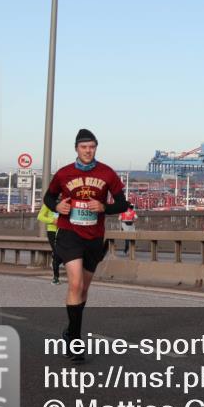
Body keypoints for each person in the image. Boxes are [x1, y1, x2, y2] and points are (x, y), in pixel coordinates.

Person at [42, 129, 128, 363]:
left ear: (96, 148)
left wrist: (104, 207)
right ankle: (75, 343)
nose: (88, 151)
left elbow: (122, 204)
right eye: (84, 147)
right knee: (76, 283)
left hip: (94, 237)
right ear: (76, 149)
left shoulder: (107, 173)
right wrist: (57, 207)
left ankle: (70, 330)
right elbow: (48, 198)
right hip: (69, 234)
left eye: (92, 147)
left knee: (84, 290)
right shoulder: (64, 173)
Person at [37, 203, 61, 284]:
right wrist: (52, 221)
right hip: (52, 231)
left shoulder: (66, 201)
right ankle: (56, 277)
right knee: (56, 252)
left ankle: (55, 262)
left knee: (63, 254)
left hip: (64, 231)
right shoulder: (49, 202)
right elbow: (40, 216)